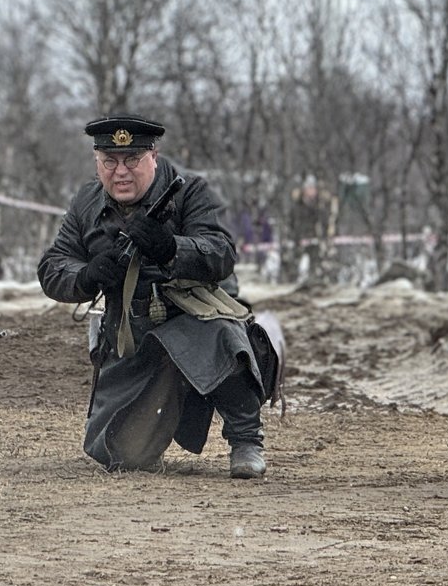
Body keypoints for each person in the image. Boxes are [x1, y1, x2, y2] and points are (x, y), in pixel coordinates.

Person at [37, 116, 274, 479]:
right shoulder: (87, 201)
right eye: (109, 161)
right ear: (96, 162)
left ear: (153, 156)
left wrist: (170, 249)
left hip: (194, 326)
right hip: (133, 342)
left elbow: (221, 253)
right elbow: (53, 267)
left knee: (222, 334)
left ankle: (245, 439)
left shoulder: (191, 191)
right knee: (121, 453)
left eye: (132, 159)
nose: (120, 172)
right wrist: (87, 275)